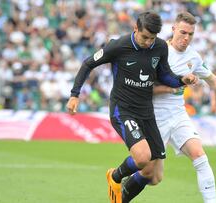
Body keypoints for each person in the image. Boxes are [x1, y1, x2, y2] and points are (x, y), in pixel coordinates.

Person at [66, 11, 198, 203]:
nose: (148, 42)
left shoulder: (160, 47)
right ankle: (115, 176)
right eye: (144, 37)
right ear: (135, 29)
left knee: (153, 173)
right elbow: (88, 64)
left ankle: (121, 199)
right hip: (123, 110)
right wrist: (74, 95)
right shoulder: (118, 46)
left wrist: (180, 80)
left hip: (146, 112)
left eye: (152, 38)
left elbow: (165, 75)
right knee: (143, 157)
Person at [123, 12, 216, 203]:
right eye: (183, 32)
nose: (186, 38)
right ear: (173, 29)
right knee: (153, 176)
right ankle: (122, 192)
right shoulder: (157, 52)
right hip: (153, 117)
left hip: (178, 114)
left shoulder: (194, 57)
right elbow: (143, 89)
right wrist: (172, 85)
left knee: (200, 156)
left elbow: (214, 81)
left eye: (190, 34)